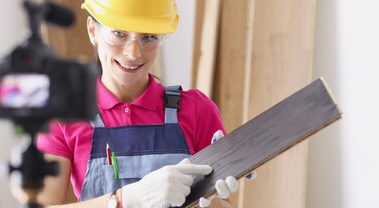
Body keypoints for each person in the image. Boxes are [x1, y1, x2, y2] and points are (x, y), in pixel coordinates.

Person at [29, 0, 239, 207]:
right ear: (93, 30)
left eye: (149, 37)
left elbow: (224, 204)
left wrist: (211, 201)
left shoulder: (197, 109)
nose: (133, 53)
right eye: (119, 33)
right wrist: (123, 200)